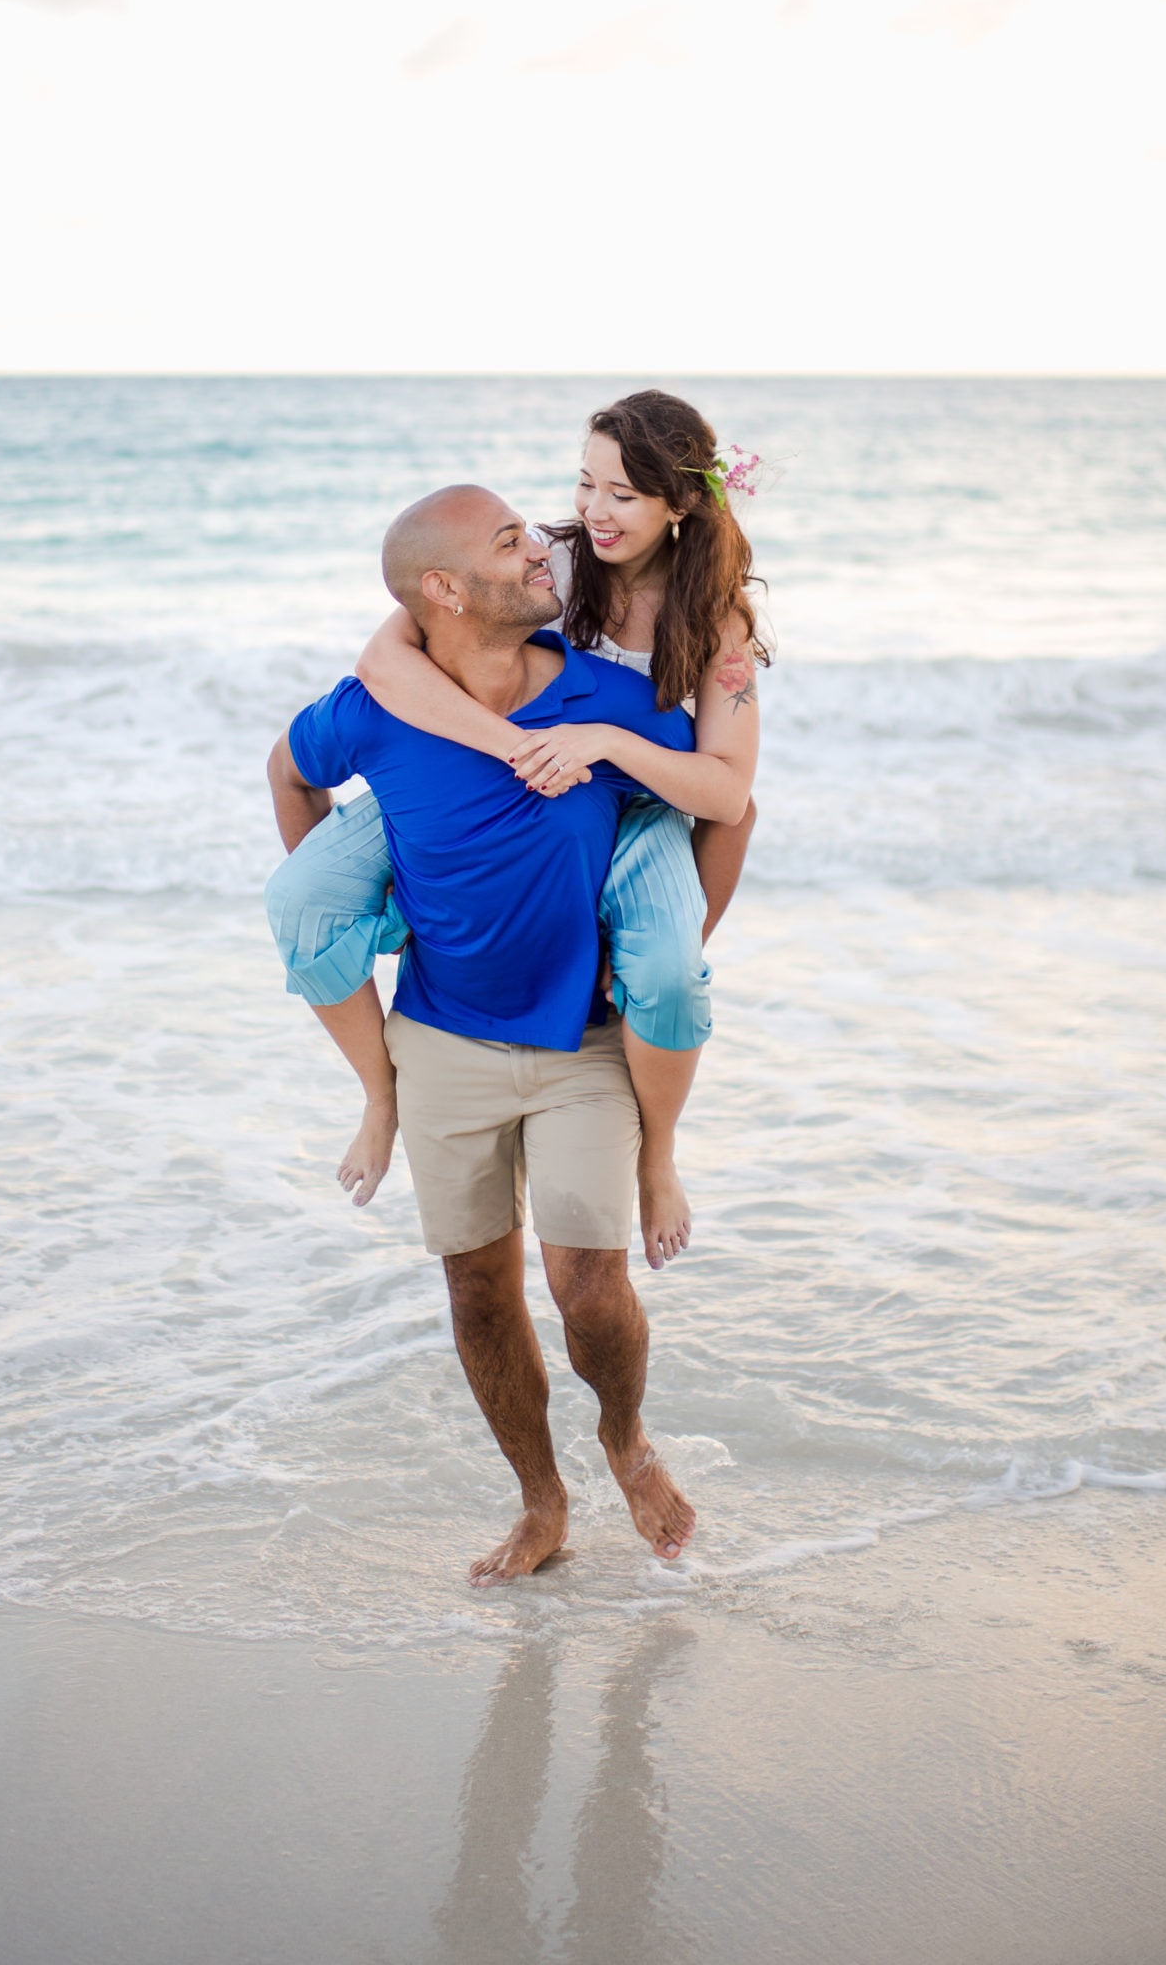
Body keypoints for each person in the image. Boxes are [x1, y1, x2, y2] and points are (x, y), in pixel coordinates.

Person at [265, 486, 702, 1583]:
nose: (541, 547)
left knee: (588, 1286)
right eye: (508, 542)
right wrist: (373, 905)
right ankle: (541, 1499)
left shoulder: (613, 698)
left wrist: (683, 940)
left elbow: (721, 801)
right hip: (441, 1038)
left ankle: (626, 1438)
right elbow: (291, 770)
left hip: (583, 1043)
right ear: (442, 591)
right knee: (476, 1286)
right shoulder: (375, 709)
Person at [267, 389, 765, 1268]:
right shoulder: (553, 564)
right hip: (496, 765)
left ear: (681, 504)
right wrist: (516, 750)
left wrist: (605, 742)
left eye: (623, 495)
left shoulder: (713, 616)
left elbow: (729, 797)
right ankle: (380, 1095)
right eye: (586, 484)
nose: (592, 512)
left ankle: (659, 1157)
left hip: (634, 795)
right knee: (302, 898)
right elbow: (387, 657)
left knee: (667, 973)